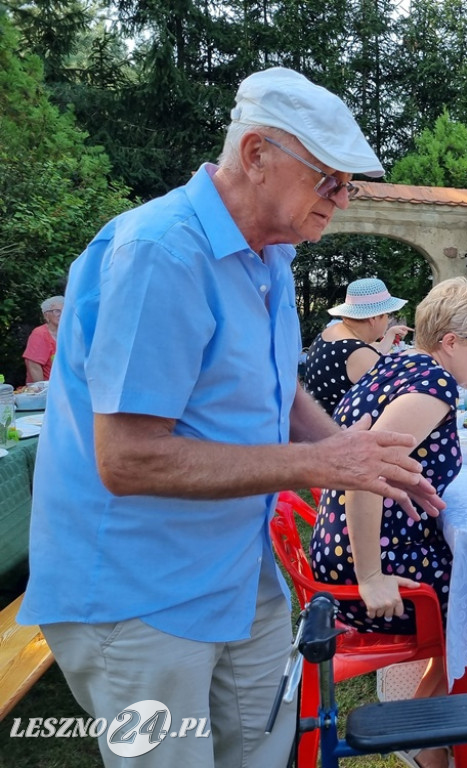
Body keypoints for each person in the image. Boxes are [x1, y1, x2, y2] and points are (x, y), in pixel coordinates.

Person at [18, 67, 444, 768]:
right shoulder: (161, 253)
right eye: (329, 180)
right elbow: (128, 458)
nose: (342, 199)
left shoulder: (270, 254)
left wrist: (356, 459)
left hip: (235, 571)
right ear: (255, 155)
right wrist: (319, 463)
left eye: (349, 184)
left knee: (263, 751)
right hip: (138, 593)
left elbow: (278, 391)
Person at [312, 277, 467, 768]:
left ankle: (426, 716)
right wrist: (370, 576)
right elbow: (364, 475)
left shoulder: (398, 362)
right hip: (366, 563)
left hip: (344, 546)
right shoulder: (433, 385)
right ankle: (422, 727)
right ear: (451, 342)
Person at [303, 277, 412, 415]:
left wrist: (390, 335)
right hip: (336, 426)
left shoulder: (333, 333)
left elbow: (374, 353)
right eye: (387, 315)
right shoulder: (357, 353)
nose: (388, 320)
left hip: (315, 421)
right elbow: (397, 396)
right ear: (373, 318)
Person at [22, 295, 63, 382]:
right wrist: (41, 387)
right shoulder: (40, 334)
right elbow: (34, 365)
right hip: (48, 386)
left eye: (65, 310)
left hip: (66, 386)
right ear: (46, 315)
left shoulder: (69, 333)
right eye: (57, 311)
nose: (61, 314)